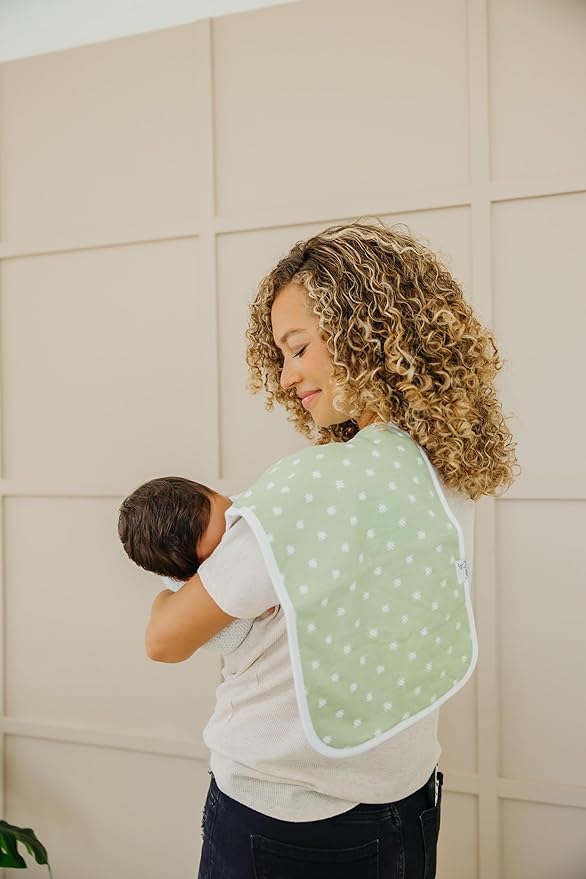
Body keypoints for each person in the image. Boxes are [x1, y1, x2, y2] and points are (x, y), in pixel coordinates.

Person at [145, 222, 519, 878]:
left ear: (363, 334)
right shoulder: (442, 469)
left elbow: (165, 640)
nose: (286, 377)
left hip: (282, 820)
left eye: (297, 349)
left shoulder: (309, 487)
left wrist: (164, 594)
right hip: (408, 802)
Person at [117, 476, 275, 653]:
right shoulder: (198, 595)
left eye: (230, 516)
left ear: (212, 493)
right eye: (222, 551)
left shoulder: (257, 500)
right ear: (187, 577)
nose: (236, 530)